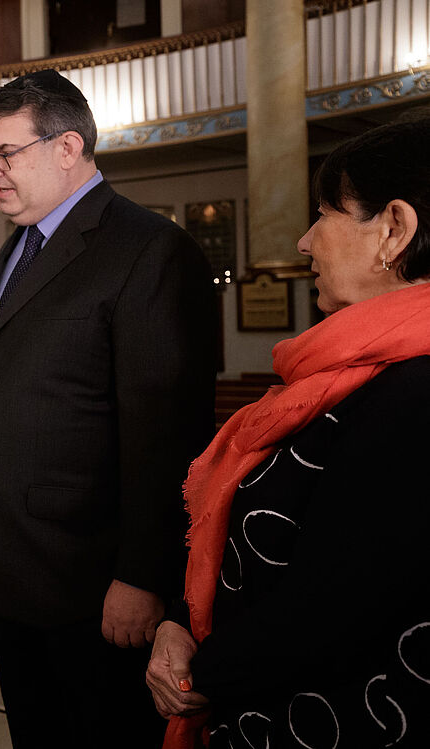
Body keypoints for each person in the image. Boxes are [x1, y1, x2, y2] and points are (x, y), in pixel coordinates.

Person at [0, 70, 218, 747]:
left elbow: (166, 435)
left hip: (92, 584)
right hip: (12, 573)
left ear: (66, 147)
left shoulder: (149, 249)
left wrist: (141, 575)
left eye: (3, 153)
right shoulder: (19, 243)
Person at [147, 119, 430, 749]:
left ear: (395, 230)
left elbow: (334, 607)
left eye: (325, 213)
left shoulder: (414, 393)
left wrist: (197, 669)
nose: (304, 241)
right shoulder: (358, 376)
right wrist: (177, 622)